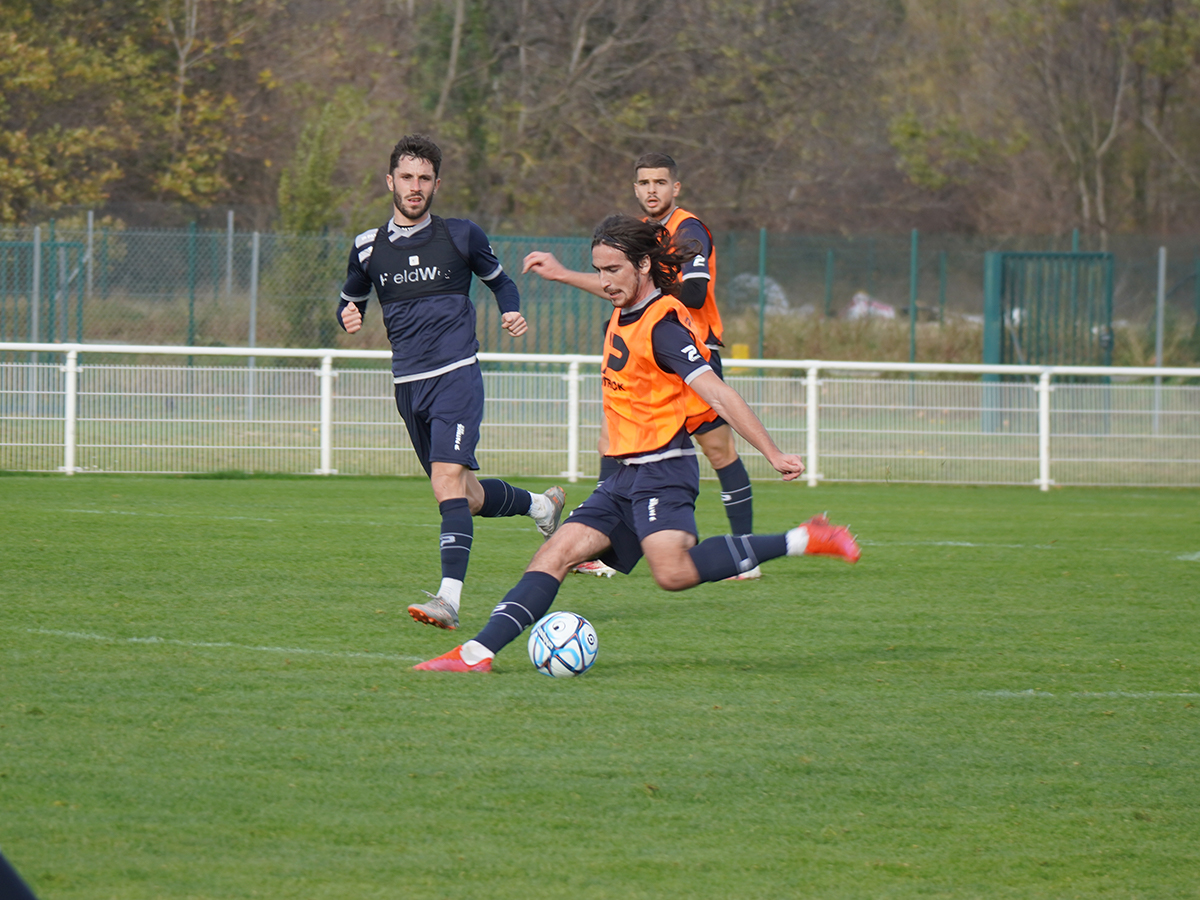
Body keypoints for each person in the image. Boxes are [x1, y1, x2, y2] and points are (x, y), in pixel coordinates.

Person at [414, 215, 859, 673]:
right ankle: (474, 655)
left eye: (613, 271)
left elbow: (718, 393)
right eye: (599, 270)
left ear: (643, 265)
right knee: (555, 553)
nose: (605, 282)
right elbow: (608, 287)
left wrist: (773, 452)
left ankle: (805, 537)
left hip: (663, 471)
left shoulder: (663, 326)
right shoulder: (625, 308)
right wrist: (564, 274)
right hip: (622, 477)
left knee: (672, 573)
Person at [338, 134, 565, 632]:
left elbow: (501, 281)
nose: (415, 187)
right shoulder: (366, 247)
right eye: (406, 177)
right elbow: (349, 299)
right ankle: (541, 505)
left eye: (424, 178)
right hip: (408, 385)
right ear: (390, 181)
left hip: (456, 375)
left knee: (445, 484)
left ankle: (449, 599)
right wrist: (348, 315)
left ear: (436, 183)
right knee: (465, 494)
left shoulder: (462, 235)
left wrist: (511, 310)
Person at [522, 152, 759, 579]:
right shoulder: (637, 235)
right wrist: (562, 274)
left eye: (660, 182)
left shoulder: (688, 229)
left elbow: (696, 292)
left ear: (675, 188)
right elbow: (617, 282)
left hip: (689, 351)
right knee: (613, 439)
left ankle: (746, 555)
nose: (652, 190)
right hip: (646, 359)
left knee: (720, 451)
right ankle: (603, 540)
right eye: (645, 183)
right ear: (635, 188)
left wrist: (649, 304)